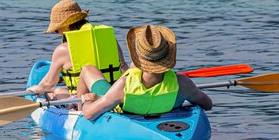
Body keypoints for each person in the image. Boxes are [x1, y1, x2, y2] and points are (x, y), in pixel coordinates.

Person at [77, 24, 212, 120]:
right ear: (167, 56)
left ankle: (75, 112)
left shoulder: (123, 86)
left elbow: (89, 114)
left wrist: (87, 101)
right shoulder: (183, 84)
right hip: (167, 107)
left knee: (87, 69)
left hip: (118, 102)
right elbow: (207, 104)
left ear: (138, 56)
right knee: (129, 69)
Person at [28, 0, 129, 99]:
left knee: (56, 91)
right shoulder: (108, 39)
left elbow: (49, 82)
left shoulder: (62, 49)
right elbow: (123, 67)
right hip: (114, 92)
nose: (57, 32)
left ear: (67, 25)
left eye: (56, 29)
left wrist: (37, 89)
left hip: (84, 98)